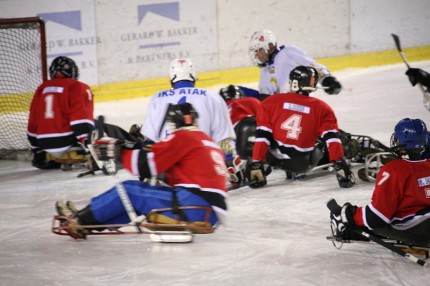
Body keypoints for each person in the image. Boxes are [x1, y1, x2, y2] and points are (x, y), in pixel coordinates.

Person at [55, 103, 228, 239]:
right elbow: (184, 172)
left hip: (192, 206)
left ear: (174, 123)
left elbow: (145, 164)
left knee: (130, 190)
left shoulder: (183, 137)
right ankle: (88, 223)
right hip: (209, 213)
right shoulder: (207, 141)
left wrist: (119, 152)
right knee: (139, 199)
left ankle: (79, 221)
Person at [248, 66, 355, 189]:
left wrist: (256, 162)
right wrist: (340, 163)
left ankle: (258, 167)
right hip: (301, 164)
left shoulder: (269, 102)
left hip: (273, 159)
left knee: (264, 132)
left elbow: (263, 135)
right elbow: (332, 138)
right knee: (324, 140)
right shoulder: (322, 108)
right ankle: (346, 152)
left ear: (292, 82)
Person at [140, 58, 242, 184]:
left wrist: (146, 167)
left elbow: (149, 140)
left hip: (169, 167)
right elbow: (224, 137)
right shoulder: (213, 97)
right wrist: (229, 159)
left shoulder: (157, 99)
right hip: (204, 165)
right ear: (194, 76)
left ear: (171, 78)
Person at [330, 118, 430, 246]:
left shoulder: (394, 169)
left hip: (416, 231)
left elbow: (377, 217)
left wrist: (349, 214)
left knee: (368, 221)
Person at [27, 56, 95, 169]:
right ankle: (129, 140)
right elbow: (80, 121)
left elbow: (33, 123)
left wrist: (37, 151)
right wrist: (89, 147)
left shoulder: (42, 88)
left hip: (44, 144)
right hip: (66, 141)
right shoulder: (77, 86)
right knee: (102, 127)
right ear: (73, 71)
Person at [248, 30, 342, 98]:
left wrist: (326, 79)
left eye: (259, 50)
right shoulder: (265, 70)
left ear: (270, 46)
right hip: (281, 111)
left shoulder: (288, 52)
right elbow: (265, 97)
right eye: (255, 51)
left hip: (301, 105)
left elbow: (312, 65)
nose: (257, 54)